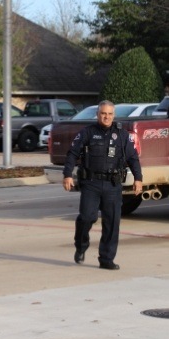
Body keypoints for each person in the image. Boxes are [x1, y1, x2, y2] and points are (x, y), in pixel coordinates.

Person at [63, 100, 143, 270]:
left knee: (112, 223)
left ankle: (106, 259)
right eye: (103, 113)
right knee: (87, 217)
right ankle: (81, 244)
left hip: (113, 185)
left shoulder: (122, 135)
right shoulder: (87, 132)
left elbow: (133, 158)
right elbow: (72, 153)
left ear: (114, 115)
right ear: (97, 114)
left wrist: (138, 178)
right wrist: (67, 174)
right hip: (91, 183)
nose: (106, 117)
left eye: (109, 114)